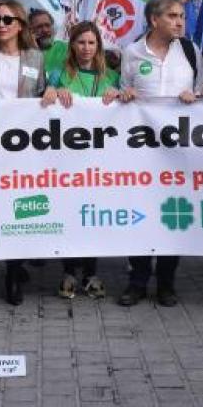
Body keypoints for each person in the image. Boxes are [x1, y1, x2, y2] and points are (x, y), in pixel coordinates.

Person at [0, 0, 57, 305]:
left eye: (7, 20)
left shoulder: (35, 57)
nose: (1, 25)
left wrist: (51, 91)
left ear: (20, 25)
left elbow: (41, 91)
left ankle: (14, 274)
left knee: (18, 211)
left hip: (22, 146)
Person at [117, 0, 203, 307]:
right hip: (142, 151)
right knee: (140, 213)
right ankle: (138, 281)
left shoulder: (191, 52)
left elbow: (202, 94)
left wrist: (197, 96)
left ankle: (166, 283)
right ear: (154, 20)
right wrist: (125, 95)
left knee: (172, 215)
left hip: (178, 152)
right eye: (172, 16)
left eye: (182, 16)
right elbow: (122, 91)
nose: (180, 22)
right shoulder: (132, 52)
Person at [50, 21, 120, 299]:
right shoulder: (59, 74)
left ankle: (91, 273)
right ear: (72, 45)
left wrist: (119, 95)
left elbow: (127, 105)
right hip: (67, 159)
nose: (86, 48)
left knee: (93, 216)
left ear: (98, 45)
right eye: (81, 42)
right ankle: (69, 272)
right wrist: (54, 92)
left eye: (91, 43)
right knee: (69, 214)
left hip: (99, 161)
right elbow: (42, 101)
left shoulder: (111, 76)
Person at [29, 8, 68, 78]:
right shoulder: (24, 53)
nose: (45, 30)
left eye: (47, 25)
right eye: (39, 27)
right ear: (31, 30)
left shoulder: (65, 48)